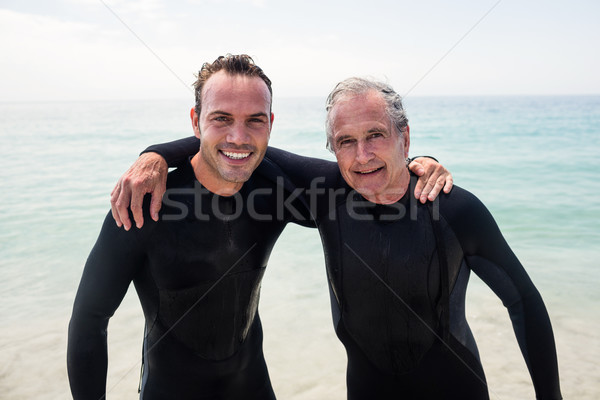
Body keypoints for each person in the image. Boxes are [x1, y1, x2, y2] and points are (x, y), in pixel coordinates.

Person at [112, 79, 562, 399]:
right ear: (331, 148)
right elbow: (235, 146)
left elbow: (523, 302)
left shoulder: (453, 207)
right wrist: (154, 154)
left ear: (404, 136)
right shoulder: (326, 195)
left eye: (375, 136)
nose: (362, 155)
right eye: (345, 141)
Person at [68, 54, 451, 400]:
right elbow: (89, 321)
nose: (239, 136)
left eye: (254, 120)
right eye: (221, 118)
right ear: (195, 122)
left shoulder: (273, 187)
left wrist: (419, 161)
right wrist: (155, 154)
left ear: (270, 124)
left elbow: (363, 173)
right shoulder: (144, 201)